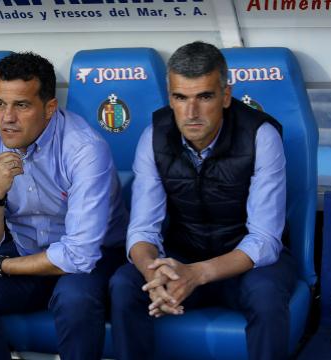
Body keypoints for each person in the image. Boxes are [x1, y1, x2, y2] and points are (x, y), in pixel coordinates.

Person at [109, 41, 298, 360]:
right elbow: (142, 229)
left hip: (245, 263)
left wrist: (197, 274)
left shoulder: (261, 135)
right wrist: (152, 272)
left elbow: (264, 240)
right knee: (125, 284)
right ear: (170, 97)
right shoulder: (153, 137)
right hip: (184, 253)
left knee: (266, 295)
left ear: (226, 95)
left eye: (204, 97)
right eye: (180, 98)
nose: (191, 112)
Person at [0, 51, 128, 360]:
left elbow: (80, 255)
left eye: (21, 105)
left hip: (94, 260)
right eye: (0, 103)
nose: (7, 118)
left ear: (49, 108)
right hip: (23, 250)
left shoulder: (84, 148)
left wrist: (1, 266)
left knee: (74, 298)